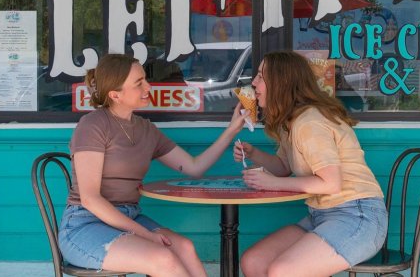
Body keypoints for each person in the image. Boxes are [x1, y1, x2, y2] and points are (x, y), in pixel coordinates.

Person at [58, 54, 245, 277]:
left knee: (184, 248)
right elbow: (90, 199)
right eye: (139, 83)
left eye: (145, 79)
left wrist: (232, 129)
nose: (148, 86)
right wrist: (146, 235)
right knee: (162, 259)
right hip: (85, 225)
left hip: (130, 215)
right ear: (115, 94)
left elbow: (194, 167)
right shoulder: (92, 125)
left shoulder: (146, 129)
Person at [236, 50, 387, 277]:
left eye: (261, 76)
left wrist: (273, 183)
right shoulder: (292, 121)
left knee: (282, 271)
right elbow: (284, 167)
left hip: (358, 217)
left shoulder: (309, 122)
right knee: (254, 261)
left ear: (282, 82)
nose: (254, 83)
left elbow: (331, 184)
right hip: (320, 215)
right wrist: (254, 153)